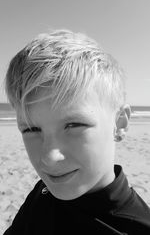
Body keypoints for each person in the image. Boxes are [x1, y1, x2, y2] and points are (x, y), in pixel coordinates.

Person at [3, 29, 150, 235]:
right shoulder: (42, 192)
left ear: (119, 122)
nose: (49, 158)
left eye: (74, 125)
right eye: (31, 129)